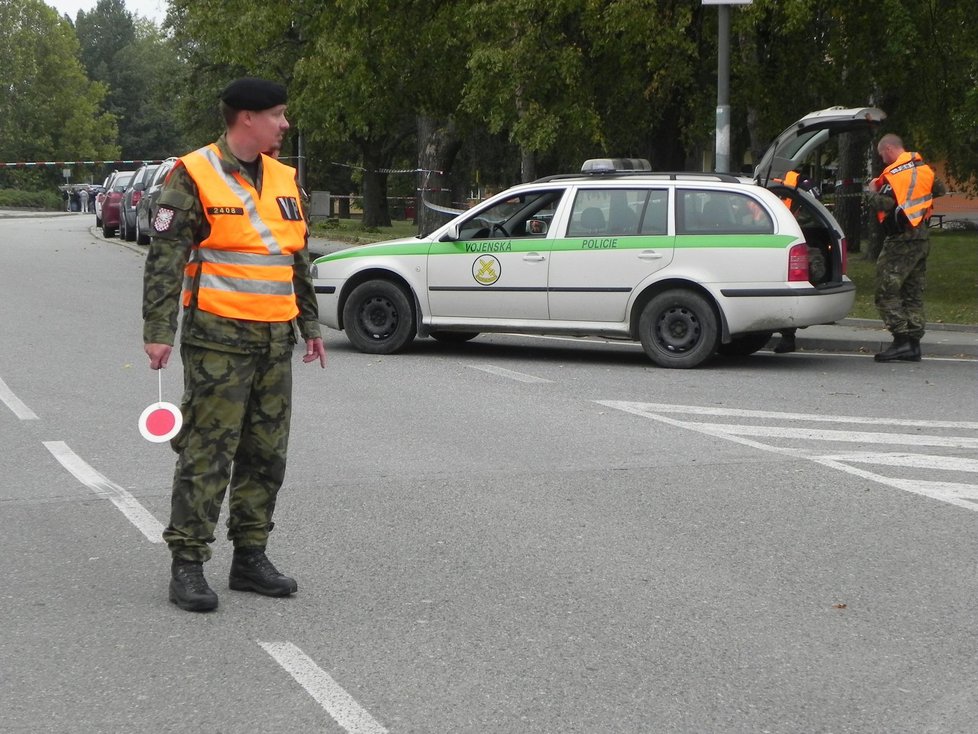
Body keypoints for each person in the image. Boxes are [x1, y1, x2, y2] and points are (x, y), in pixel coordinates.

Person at [142, 77, 327, 612]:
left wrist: (310, 328)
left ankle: (250, 557)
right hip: (218, 341)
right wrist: (159, 331)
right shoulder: (193, 172)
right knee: (207, 451)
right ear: (246, 118)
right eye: (278, 114)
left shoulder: (284, 178)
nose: (285, 124)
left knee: (266, 455)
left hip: (275, 341)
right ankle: (188, 563)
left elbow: (295, 259)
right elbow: (165, 258)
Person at [866, 133, 945, 362]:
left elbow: (885, 203)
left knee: (885, 291)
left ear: (889, 148)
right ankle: (913, 345)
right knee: (912, 293)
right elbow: (938, 189)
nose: (882, 160)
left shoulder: (894, 177)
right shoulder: (924, 170)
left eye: (882, 155)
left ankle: (900, 339)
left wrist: (870, 193)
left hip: (900, 240)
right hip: (921, 238)